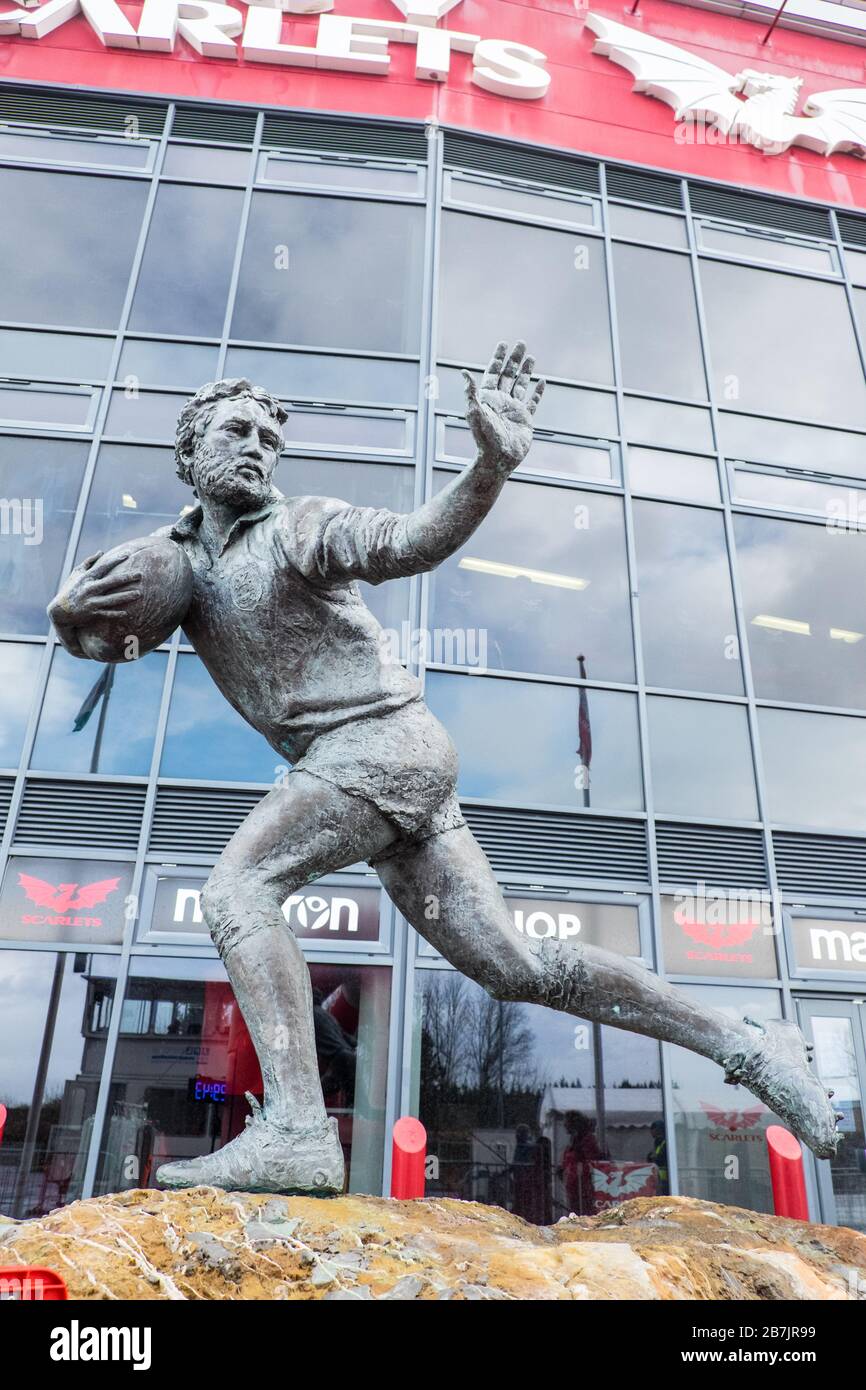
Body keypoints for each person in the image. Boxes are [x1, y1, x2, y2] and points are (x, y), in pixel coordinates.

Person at [48, 341, 840, 1195]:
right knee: (513, 967)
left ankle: (297, 1132)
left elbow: (411, 541)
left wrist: (490, 467)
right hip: (384, 769)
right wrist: (69, 619)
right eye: (236, 432)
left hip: (379, 746)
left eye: (269, 439)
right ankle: (748, 1040)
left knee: (239, 891)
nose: (256, 448)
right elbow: (112, 638)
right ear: (190, 448)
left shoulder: (300, 525)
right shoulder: (174, 560)